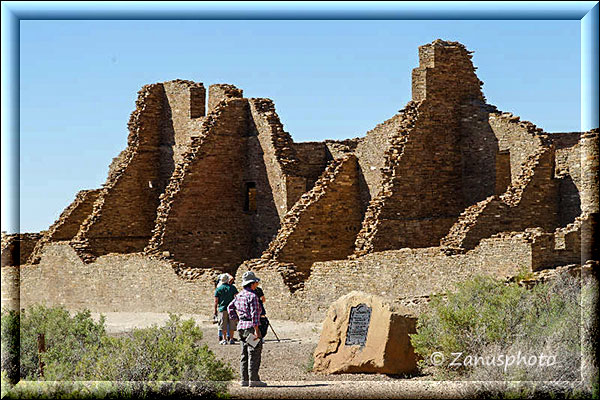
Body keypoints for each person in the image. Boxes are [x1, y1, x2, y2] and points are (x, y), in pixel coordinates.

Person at [227, 271, 267, 387]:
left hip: (241, 328)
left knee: (244, 353)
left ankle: (244, 379)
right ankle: (254, 380)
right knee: (254, 353)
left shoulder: (239, 295)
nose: (257, 284)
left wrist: (237, 320)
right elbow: (255, 314)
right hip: (250, 328)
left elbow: (230, 307)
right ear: (252, 284)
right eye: (255, 282)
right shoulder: (253, 296)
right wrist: (257, 330)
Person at [214, 273, 238, 345]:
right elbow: (237, 297)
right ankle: (231, 339)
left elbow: (216, 301)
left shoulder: (218, 289)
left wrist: (215, 310)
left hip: (222, 308)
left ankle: (224, 339)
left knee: (223, 324)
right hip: (231, 309)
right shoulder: (232, 288)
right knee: (232, 324)